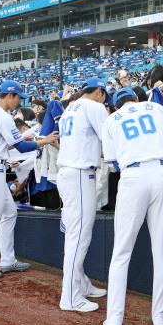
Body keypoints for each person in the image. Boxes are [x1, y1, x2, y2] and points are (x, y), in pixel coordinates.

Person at [101, 88, 163, 325]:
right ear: (137, 99)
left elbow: (114, 162)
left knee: (121, 251)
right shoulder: (155, 107)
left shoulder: (111, 119)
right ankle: (160, 318)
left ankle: (115, 321)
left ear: (116, 105)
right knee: (162, 249)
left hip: (132, 175)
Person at [0, 81, 58, 279]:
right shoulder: (1, 115)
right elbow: (22, 148)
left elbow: (0, 143)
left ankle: (7, 260)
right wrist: (44, 140)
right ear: (9, 95)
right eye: (18, 97)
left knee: (9, 212)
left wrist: (21, 141)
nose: (19, 101)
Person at [57, 77, 112, 312]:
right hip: (79, 174)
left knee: (74, 234)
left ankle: (82, 284)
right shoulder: (94, 106)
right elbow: (111, 135)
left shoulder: (71, 106)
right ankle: (70, 297)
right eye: (105, 95)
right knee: (79, 236)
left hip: (69, 173)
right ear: (99, 91)